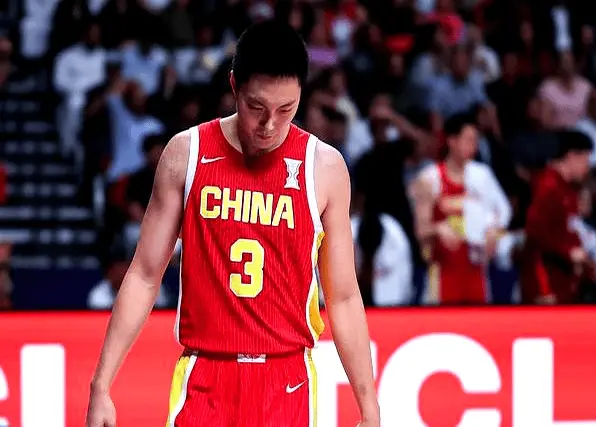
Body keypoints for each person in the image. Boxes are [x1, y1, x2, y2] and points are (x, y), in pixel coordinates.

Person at [85, 21, 379, 427]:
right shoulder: (185, 154)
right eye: (257, 107)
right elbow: (144, 274)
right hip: (205, 375)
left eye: (286, 109)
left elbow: (343, 295)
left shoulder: (324, 167)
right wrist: (101, 385)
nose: (270, 124)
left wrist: (369, 406)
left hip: (287, 381)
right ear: (233, 85)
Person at [410, 113, 511, 304]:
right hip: (443, 272)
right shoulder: (430, 178)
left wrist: (493, 230)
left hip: (476, 270)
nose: (474, 145)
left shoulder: (482, 175)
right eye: (469, 139)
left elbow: (504, 211)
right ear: (452, 141)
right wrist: (438, 229)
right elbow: (420, 230)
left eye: (476, 140)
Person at [520, 131, 593, 304]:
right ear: (572, 157)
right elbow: (534, 231)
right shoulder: (548, 186)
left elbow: (568, 229)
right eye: (585, 160)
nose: (588, 167)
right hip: (544, 281)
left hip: (565, 281)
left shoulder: (569, 190)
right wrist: (568, 252)